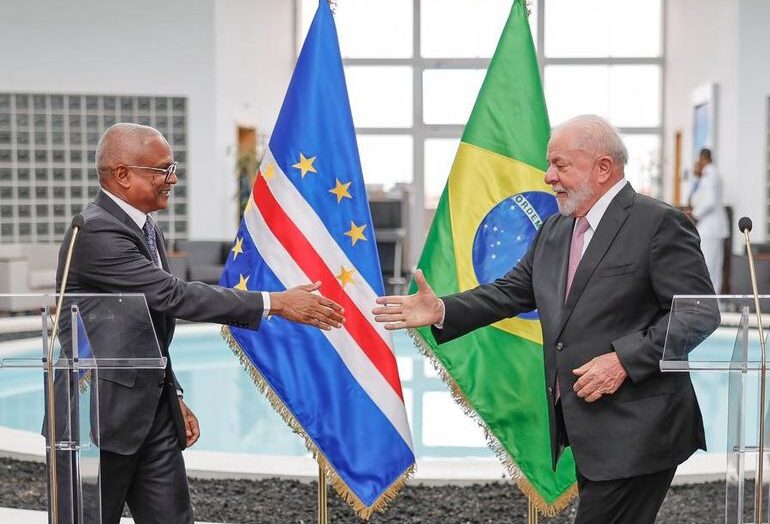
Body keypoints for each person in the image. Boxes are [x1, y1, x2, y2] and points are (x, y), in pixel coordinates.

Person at [373, 115, 717, 524]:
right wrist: (444, 309)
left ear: (603, 168)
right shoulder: (555, 229)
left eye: (560, 165)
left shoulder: (658, 223)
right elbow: (510, 292)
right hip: (590, 429)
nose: (547, 175)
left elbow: (698, 313)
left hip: (640, 429)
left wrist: (624, 360)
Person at [54, 123, 345, 524]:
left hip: (149, 413)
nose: (172, 178)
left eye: (171, 167)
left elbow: (143, 328)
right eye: (161, 170)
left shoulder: (143, 225)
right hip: (100, 420)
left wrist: (170, 391)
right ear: (122, 175)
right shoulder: (96, 230)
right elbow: (172, 296)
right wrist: (274, 303)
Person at [686, 148, 728, 292]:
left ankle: (714, 304)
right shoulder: (705, 176)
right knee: (709, 268)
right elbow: (696, 197)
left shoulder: (711, 175)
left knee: (710, 268)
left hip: (711, 229)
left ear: (703, 159)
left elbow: (709, 201)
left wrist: (695, 215)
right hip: (707, 229)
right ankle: (712, 303)